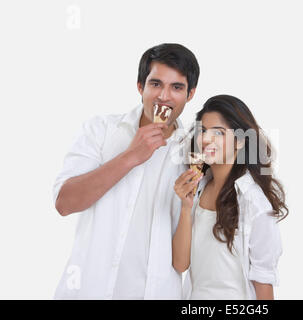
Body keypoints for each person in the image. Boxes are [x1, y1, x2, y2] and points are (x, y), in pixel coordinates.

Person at [52, 43, 199, 299]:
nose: (164, 96)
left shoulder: (194, 155)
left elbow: (184, 258)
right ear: (140, 87)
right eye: (155, 84)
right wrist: (130, 157)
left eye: (177, 87)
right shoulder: (100, 130)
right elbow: (65, 203)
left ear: (190, 94)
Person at [173, 95, 288, 300]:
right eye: (203, 131)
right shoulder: (197, 190)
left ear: (240, 141)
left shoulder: (254, 202)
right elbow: (181, 264)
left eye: (219, 132)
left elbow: (264, 286)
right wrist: (185, 207)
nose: (207, 139)